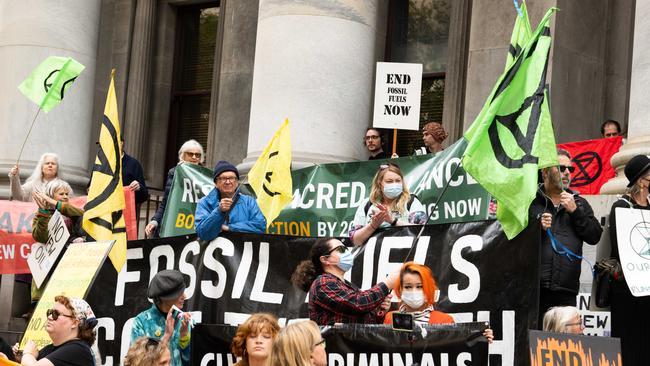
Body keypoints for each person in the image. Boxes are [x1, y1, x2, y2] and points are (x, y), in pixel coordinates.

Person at [529, 149, 602, 327]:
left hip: (566, 289)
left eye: (570, 169)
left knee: (562, 347)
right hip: (534, 289)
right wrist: (535, 228)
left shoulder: (580, 203)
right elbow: (512, 240)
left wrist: (575, 212)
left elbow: (595, 236)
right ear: (545, 172)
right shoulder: (530, 201)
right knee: (533, 344)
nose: (567, 173)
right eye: (561, 168)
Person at [292, 237, 398, 325]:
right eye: (340, 250)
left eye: (346, 249)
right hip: (332, 348)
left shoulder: (348, 286)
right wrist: (387, 284)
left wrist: (379, 311)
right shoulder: (323, 283)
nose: (346, 253)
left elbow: (365, 322)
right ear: (325, 259)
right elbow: (358, 304)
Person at [607, 154, 650, 366]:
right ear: (642, 180)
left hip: (648, 290)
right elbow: (620, 248)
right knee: (629, 345)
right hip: (627, 289)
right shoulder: (621, 207)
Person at [383, 262, 493, 341]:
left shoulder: (445, 320)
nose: (414, 291)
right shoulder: (389, 318)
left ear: (429, 289)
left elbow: (457, 349)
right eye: (407, 287)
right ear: (400, 289)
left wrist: (480, 338)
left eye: (420, 286)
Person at [31, 179, 85, 304]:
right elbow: (40, 237)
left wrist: (54, 203)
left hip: (68, 267)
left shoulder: (72, 212)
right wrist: (44, 213)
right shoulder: (40, 214)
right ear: (50, 195)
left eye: (67, 194)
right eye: (61, 194)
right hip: (48, 269)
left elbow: (83, 214)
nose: (65, 197)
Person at [348, 163, 427, 246]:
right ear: (379, 183)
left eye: (398, 181)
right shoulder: (367, 204)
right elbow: (355, 241)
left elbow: (422, 232)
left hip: (406, 255)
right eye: (389, 181)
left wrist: (393, 221)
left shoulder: (410, 201)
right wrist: (373, 225)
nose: (394, 184)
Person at [11, 295, 97, 366]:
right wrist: (14, 356)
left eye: (56, 314)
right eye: (50, 313)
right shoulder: (51, 348)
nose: (49, 317)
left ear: (74, 322)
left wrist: (28, 353)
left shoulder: (78, 350)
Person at [131, 270, 192, 366]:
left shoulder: (184, 321)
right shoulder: (141, 323)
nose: (184, 296)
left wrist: (184, 338)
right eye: (179, 294)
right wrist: (166, 337)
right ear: (165, 297)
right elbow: (137, 362)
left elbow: (191, 361)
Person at [145, 139, 204, 238]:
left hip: (197, 226)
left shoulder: (205, 176)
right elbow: (166, 203)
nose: (194, 157)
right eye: (190, 154)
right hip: (175, 224)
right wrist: (155, 221)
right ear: (182, 155)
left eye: (197, 155)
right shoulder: (175, 173)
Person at [195, 161, 266, 242]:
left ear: (236, 182)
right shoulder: (204, 203)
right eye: (223, 178)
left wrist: (229, 228)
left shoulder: (249, 201)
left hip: (243, 253)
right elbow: (203, 234)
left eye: (232, 178)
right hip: (215, 254)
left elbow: (260, 226)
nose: (228, 182)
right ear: (216, 183)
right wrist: (219, 211)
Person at [121, 136, 149, 223]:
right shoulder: (101, 163)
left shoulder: (133, 164)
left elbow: (144, 195)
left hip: (124, 217)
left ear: (121, 143)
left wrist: (138, 187)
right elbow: (90, 187)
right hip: (102, 215)